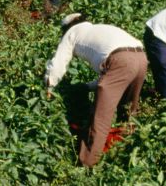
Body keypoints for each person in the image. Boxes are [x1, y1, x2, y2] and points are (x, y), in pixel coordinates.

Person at [44, 13, 148, 167]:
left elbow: (58, 63)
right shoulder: (98, 29)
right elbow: (113, 74)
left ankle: (87, 164)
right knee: (128, 113)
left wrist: (50, 86)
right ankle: (126, 155)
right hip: (141, 57)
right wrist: (86, 87)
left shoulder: (72, 33)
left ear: (67, 27)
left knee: (100, 118)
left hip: (120, 60)